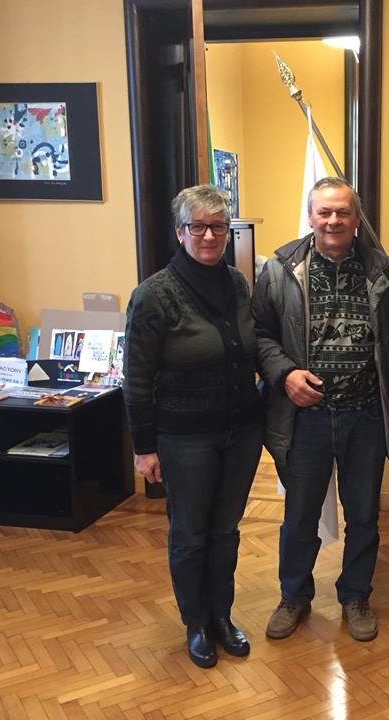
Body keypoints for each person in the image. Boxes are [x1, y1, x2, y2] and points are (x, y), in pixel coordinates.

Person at [252, 176, 389, 642]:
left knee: (364, 516)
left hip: (366, 418)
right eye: (325, 212)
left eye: (343, 212)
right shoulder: (280, 269)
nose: (334, 220)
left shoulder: (382, 269)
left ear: (356, 218)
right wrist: (285, 374)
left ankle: (355, 596)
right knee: (299, 517)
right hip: (305, 420)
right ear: (310, 216)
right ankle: (294, 596)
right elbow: (259, 335)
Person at [123, 185, 263, 669]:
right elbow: (135, 379)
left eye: (217, 227)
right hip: (184, 439)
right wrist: (144, 447)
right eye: (197, 226)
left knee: (226, 530)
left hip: (241, 433)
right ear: (180, 232)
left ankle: (222, 616)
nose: (208, 236)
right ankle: (197, 623)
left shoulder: (238, 283)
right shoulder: (154, 295)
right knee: (189, 533)